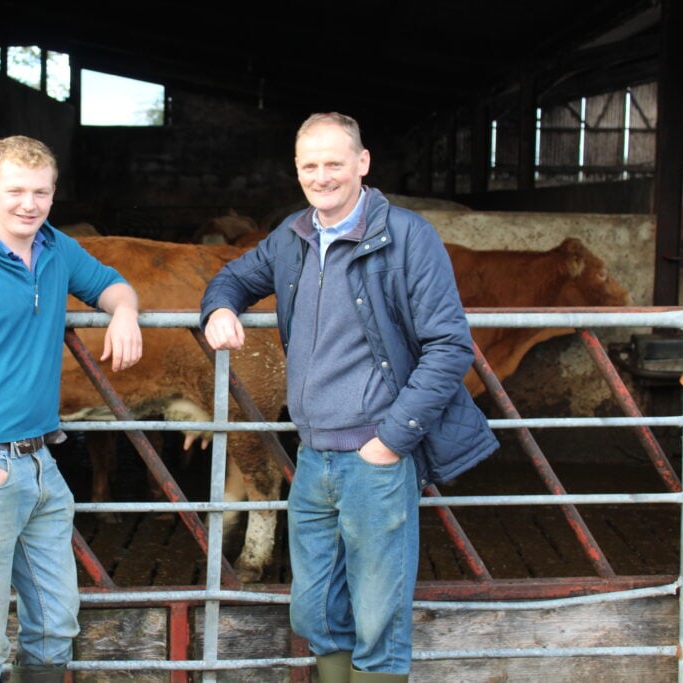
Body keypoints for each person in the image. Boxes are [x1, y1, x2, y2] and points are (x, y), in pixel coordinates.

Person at [200, 113, 497, 682]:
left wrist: (390, 441)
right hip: (312, 457)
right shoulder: (293, 237)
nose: (322, 176)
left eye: (334, 163)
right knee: (314, 611)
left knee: (378, 619)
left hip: (373, 458)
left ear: (362, 163)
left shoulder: (407, 236)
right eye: (310, 165)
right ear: (296, 170)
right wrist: (218, 308)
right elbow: (232, 277)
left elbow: (449, 346)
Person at [0, 135, 142, 682]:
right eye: (15, 191)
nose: (28, 204)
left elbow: (112, 285)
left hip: (41, 463)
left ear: (54, 193)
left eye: (41, 192)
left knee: (56, 625)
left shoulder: (56, 248)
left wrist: (125, 312)